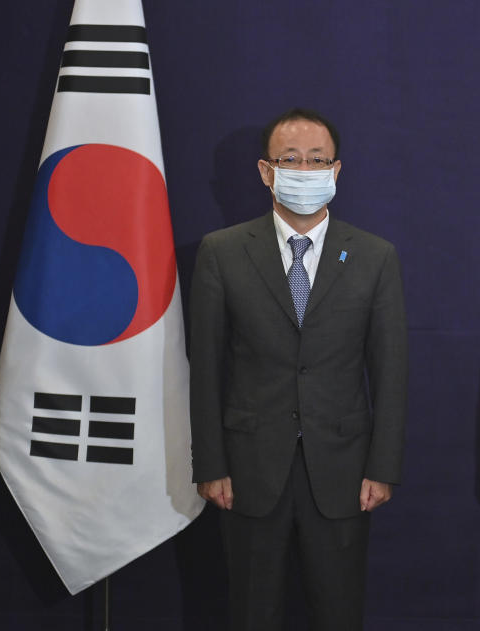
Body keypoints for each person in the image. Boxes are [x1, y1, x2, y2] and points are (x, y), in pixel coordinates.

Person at [189, 108, 408, 631]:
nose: (304, 170)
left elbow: (391, 370)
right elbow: (205, 367)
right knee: (251, 611)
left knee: (338, 611)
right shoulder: (221, 252)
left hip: (343, 470)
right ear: (267, 171)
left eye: (317, 160)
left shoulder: (375, 256)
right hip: (247, 469)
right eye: (291, 160)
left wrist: (383, 466)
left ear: (336, 170)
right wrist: (210, 464)